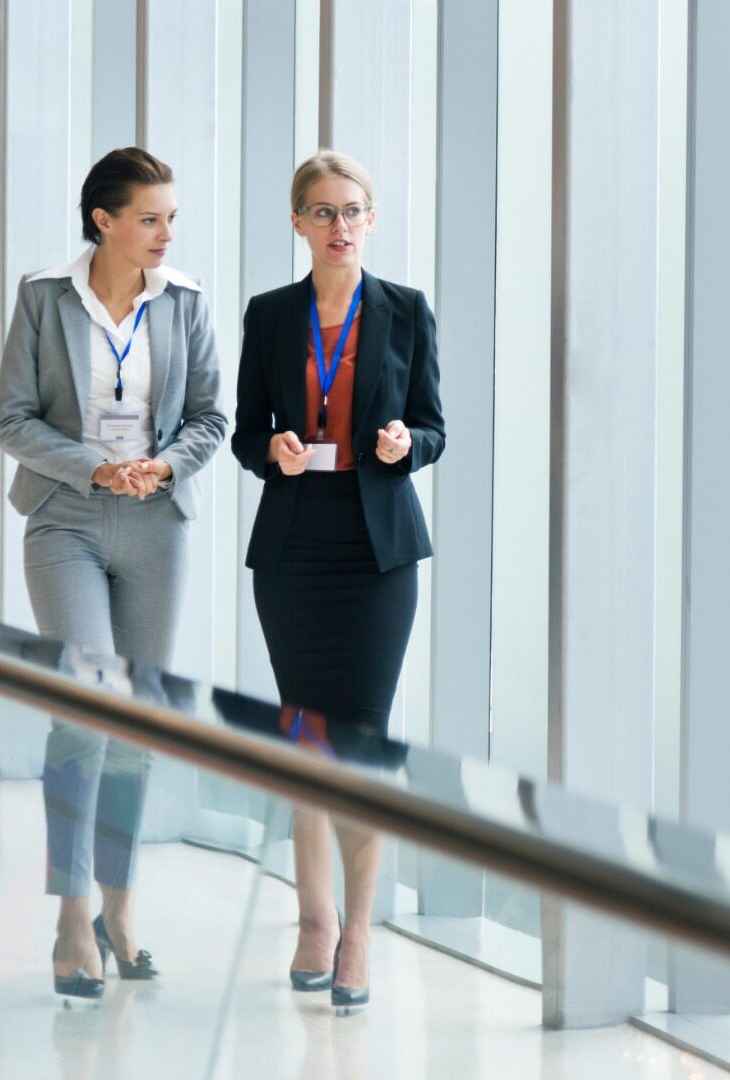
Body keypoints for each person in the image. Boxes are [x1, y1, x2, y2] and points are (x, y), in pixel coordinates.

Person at [0, 147, 227, 998]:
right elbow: (11, 419)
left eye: (170, 218)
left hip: (157, 525)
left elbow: (209, 416)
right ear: (105, 220)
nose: (166, 233)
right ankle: (69, 911)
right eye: (150, 218)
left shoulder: (188, 304)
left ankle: (119, 910)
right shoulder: (43, 296)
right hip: (66, 522)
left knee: (137, 723)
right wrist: (94, 469)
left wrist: (163, 468)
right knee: (84, 711)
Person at [231, 150, 445, 1008]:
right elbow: (249, 431)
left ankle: (359, 931)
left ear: (372, 218)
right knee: (303, 741)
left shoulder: (405, 310)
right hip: (294, 552)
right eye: (323, 212)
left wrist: (406, 445)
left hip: (376, 552)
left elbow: (433, 425)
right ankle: (313, 919)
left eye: (353, 210)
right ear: (298, 222)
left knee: (359, 743)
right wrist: (273, 449)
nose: (340, 226)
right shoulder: (272, 315)